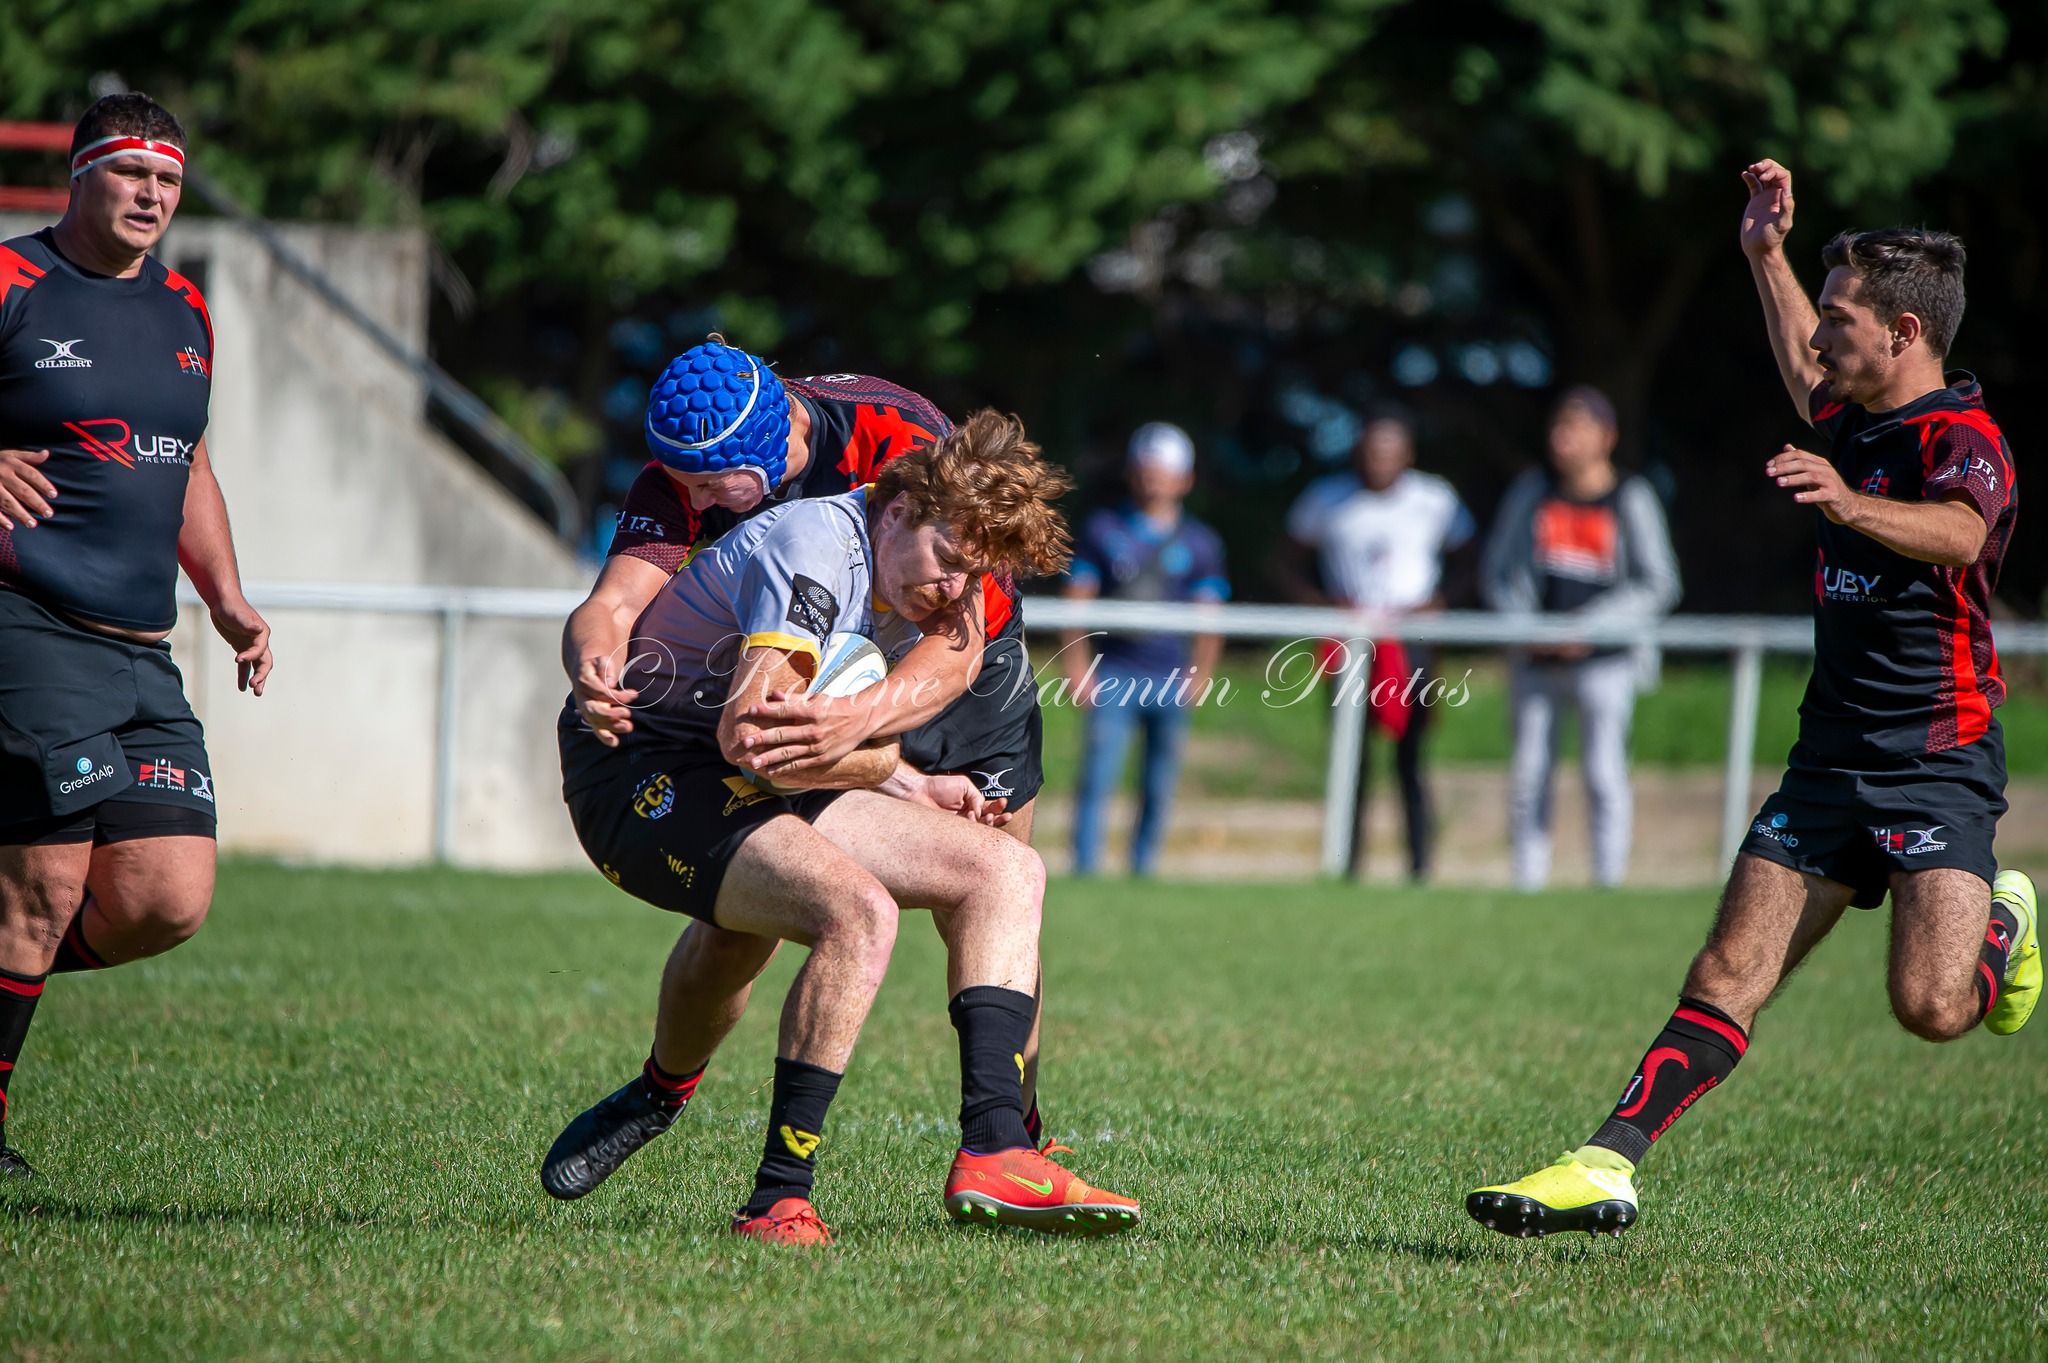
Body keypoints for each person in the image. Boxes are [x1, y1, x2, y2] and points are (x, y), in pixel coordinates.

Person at [1466, 159, 2039, 1241]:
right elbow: (1793, 364)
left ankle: (1999, 927)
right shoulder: (1859, 418)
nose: (1819, 338)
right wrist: (1764, 254)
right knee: (1727, 967)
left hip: (1932, 758)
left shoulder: (1961, 441)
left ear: (1903, 333)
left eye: (1839, 320)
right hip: (1827, 756)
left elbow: (1962, 538)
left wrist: (1849, 502)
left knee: (1928, 1009)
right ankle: (1604, 1162)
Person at [544, 407, 1139, 1243]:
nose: (953, 591)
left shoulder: (933, 570)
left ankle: (999, 1146)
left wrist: (899, 774)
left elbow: (915, 678)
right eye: (948, 563)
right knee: (855, 911)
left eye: (974, 575)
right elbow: (753, 738)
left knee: (1008, 872)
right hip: (644, 769)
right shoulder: (819, 553)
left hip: (742, 764)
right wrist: (885, 766)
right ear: (895, 510)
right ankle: (774, 1195)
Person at [0, 94, 273, 1179]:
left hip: (138, 644)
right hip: (25, 622)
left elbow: (187, 460)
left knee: (165, 896)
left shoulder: (184, 309)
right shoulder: (13, 284)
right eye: (132, 174)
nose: (154, 196)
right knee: (47, 883)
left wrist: (228, 593)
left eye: (169, 180)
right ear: (80, 175)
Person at [1482, 386, 1680, 890]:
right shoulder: (1531, 491)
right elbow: (1498, 573)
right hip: (1536, 660)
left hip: (1606, 661)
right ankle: (1527, 884)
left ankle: (1606, 884)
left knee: (1603, 774)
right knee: (1529, 775)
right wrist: (1529, 629)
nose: (1561, 438)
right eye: (1557, 427)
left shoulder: (1631, 496)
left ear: (1606, 437)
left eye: (1575, 427)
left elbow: (1659, 583)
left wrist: (1589, 628)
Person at [1276, 408, 1474, 880]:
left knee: (1410, 758)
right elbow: (1283, 560)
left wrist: (1439, 603)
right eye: (1369, 451)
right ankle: (1348, 864)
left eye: (1387, 451)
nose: (1377, 461)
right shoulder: (1327, 498)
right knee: (1351, 757)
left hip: (1411, 644)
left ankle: (1420, 866)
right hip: (1351, 642)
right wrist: (1319, 602)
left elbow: (1473, 560)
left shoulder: (1434, 499)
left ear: (1406, 454)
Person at [1059, 422, 1228, 876]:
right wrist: (1077, 666)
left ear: (1184, 479)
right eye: (1146, 469)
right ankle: (1086, 868)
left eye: (1163, 471)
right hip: (1113, 670)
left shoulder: (1201, 542)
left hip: (1170, 675)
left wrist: (1202, 673)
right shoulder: (1102, 528)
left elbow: (1210, 617)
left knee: (1159, 781)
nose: (1153, 479)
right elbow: (1077, 603)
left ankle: (1144, 868)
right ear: (1133, 473)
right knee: (1098, 777)